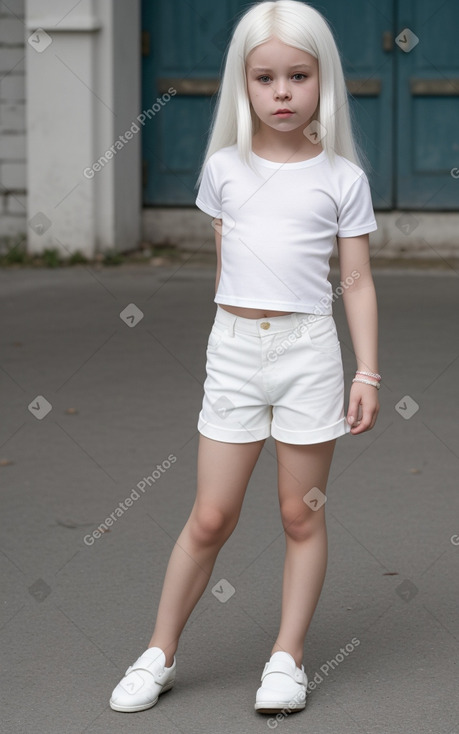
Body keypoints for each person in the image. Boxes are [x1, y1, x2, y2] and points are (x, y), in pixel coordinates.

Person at [110, 0, 380, 716]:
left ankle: (287, 658)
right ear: (244, 84)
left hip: (309, 356)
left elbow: (354, 280)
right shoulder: (223, 169)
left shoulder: (340, 178)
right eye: (265, 78)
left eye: (298, 75)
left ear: (322, 80)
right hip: (233, 354)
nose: (282, 92)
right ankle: (159, 652)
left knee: (301, 515)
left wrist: (366, 370)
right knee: (210, 516)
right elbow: (231, 272)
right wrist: (238, 336)